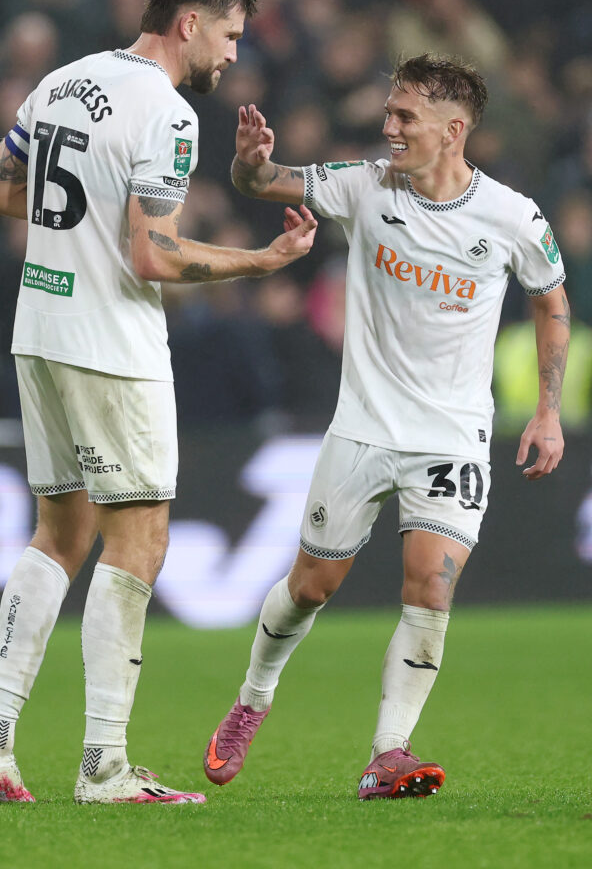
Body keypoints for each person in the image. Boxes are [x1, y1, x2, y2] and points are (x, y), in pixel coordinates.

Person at [0, 0, 317, 807]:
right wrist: (259, 260)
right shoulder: (168, 113)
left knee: (60, 533)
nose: (232, 55)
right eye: (229, 35)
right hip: (110, 345)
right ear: (189, 22)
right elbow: (149, 253)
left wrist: (71, 226)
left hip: (37, 330)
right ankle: (103, 766)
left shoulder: (61, 82)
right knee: (140, 539)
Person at [203, 54, 569, 800]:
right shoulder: (364, 185)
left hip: (451, 435)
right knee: (311, 586)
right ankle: (252, 698)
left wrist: (547, 410)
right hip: (363, 428)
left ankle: (387, 754)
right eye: (389, 111)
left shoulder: (512, 216)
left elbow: (551, 301)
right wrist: (249, 165)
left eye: (404, 116)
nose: (387, 125)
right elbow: (261, 183)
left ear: (452, 129)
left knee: (429, 588)